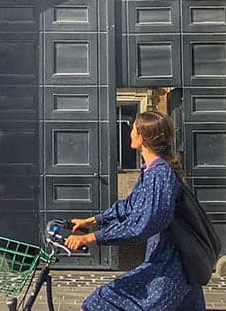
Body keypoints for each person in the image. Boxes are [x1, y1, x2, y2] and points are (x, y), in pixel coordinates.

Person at [65, 110, 205, 311]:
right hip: (170, 266)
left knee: (98, 302)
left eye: (133, 129)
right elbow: (129, 206)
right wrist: (93, 220)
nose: (130, 132)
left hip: (170, 270)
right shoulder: (151, 171)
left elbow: (145, 223)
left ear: (142, 137)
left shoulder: (160, 174)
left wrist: (91, 238)